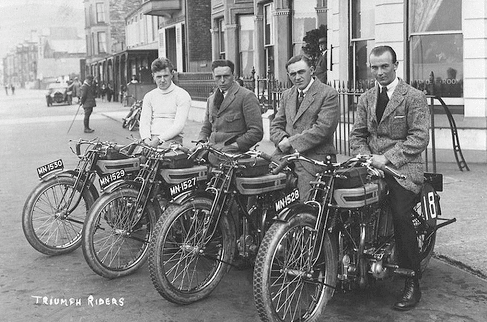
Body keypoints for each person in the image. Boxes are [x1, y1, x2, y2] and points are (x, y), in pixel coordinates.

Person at [349, 45, 430, 311]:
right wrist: (365, 157)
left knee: (399, 213)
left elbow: (419, 137)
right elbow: (358, 135)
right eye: (374, 67)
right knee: (346, 200)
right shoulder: (366, 98)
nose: (379, 72)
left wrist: (388, 158)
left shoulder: (413, 96)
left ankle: (411, 282)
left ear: (396, 65)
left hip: (404, 167)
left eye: (385, 66)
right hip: (371, 164)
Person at [270, 54, 339, 200]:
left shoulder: (328, 94)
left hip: (313, 159)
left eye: (301, 72)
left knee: (304, 206)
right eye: (293, 74)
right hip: (284, 157)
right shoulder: (287, 95)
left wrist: (291, 142)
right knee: (264, 192)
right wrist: (282, 139)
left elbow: (322, 130)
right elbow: (276, 125)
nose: (297, 77)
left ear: (312, 70)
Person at [198, 59, 263, 154]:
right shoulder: (211, 99)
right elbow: (206, 128)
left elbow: (256, 132)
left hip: (234, 155)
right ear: (213, 76)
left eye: (226, 76)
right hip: (210, 152)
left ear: (234, 75)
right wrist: (201, 142)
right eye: (218, 77)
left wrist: (234, 146)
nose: (222, 80)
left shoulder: (246, 96)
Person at [139, 57, 192, 148]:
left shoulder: (182, 95)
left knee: (162, 159)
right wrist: (146, 139)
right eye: (159, 77)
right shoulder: (149, 96)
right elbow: (144, 122)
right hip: (151, 139)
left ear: (172, 74)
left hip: (172, 139)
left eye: (166, 76)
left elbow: (178, 125)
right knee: (135, 158)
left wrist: (159, 139)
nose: (162, 80)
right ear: (153, 76)